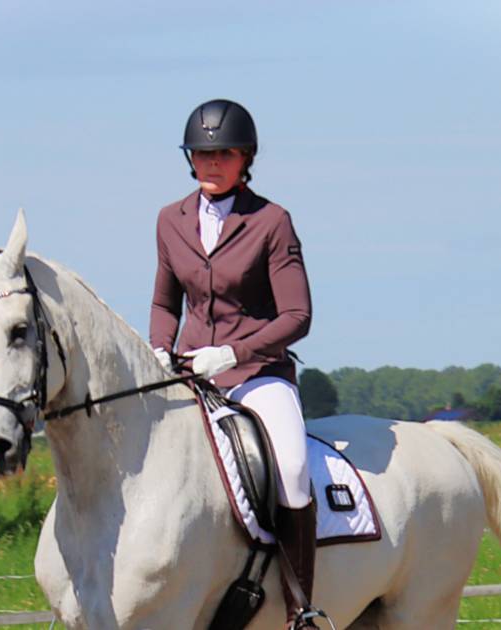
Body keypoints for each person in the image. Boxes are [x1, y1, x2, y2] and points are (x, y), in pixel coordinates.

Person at [149, 98, 317, 627]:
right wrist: (158, 346)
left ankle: (300, 609)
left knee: (290, 470)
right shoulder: (170, 220)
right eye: (202, 154)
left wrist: (235, 352)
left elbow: (298, 315)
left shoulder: (272, 221)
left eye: (224, 154)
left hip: (256, 373)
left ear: (246, 157)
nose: (212, 164)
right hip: (190, 376)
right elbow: (163, 303)